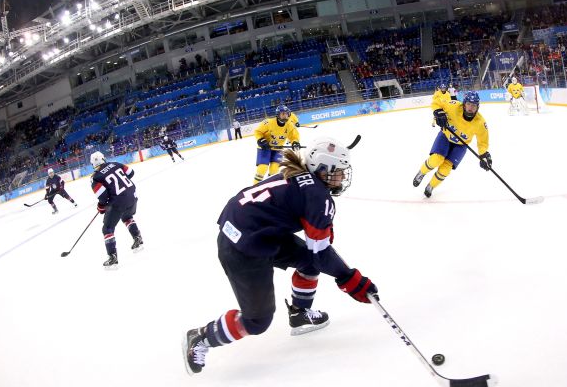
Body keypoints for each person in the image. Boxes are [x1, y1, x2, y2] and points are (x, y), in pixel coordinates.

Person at [183, 137, 378, 375]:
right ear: (323, 170)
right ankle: (201, 338)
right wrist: (350, 279)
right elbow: (322, 253)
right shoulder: (317, 197)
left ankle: (299, 314)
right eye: (338, 172)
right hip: (243, 248)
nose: (342, 177)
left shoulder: (298, 174)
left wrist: (337, 262)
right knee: (257, 321)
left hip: (252, 231)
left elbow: (316, 251)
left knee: (308, 259)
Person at [413, 91, 491, 198]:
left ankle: (431, 185)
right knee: (436, 159)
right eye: (468, 104)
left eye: (474, 105)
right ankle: (421, 173)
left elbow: (482, 142)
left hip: (461, 145)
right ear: (464, 104)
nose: (470, 108)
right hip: (445, 136)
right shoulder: (453, 106)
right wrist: (438, 111)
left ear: (478, 107)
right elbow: (436, 102)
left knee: (446, 168)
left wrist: (483, 155)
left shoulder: (480, 123)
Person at [90, 151, 143, 267]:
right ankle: (137, 238)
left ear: (92, 164)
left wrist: (101, 207)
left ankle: (112, 257)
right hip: (132, 196)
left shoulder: (95, 177)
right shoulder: (115, 164)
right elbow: (131, 172)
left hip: (118, 202)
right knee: (127, 216)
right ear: (104, 158)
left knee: (107, 228)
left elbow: (103, 197)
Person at [252, 105, 300, 184]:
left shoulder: (290, 125)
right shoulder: (269, 122)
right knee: (262, 168)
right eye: (283, 114)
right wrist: (261, 140)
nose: (285, 116)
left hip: (278, 149)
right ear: (278, 115)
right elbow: (258, 131)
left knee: (274, 170)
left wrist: (295, 142)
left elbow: (294, 136)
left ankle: (269, 186)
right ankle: (254, 187)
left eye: (286, 114)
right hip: (265, 148)